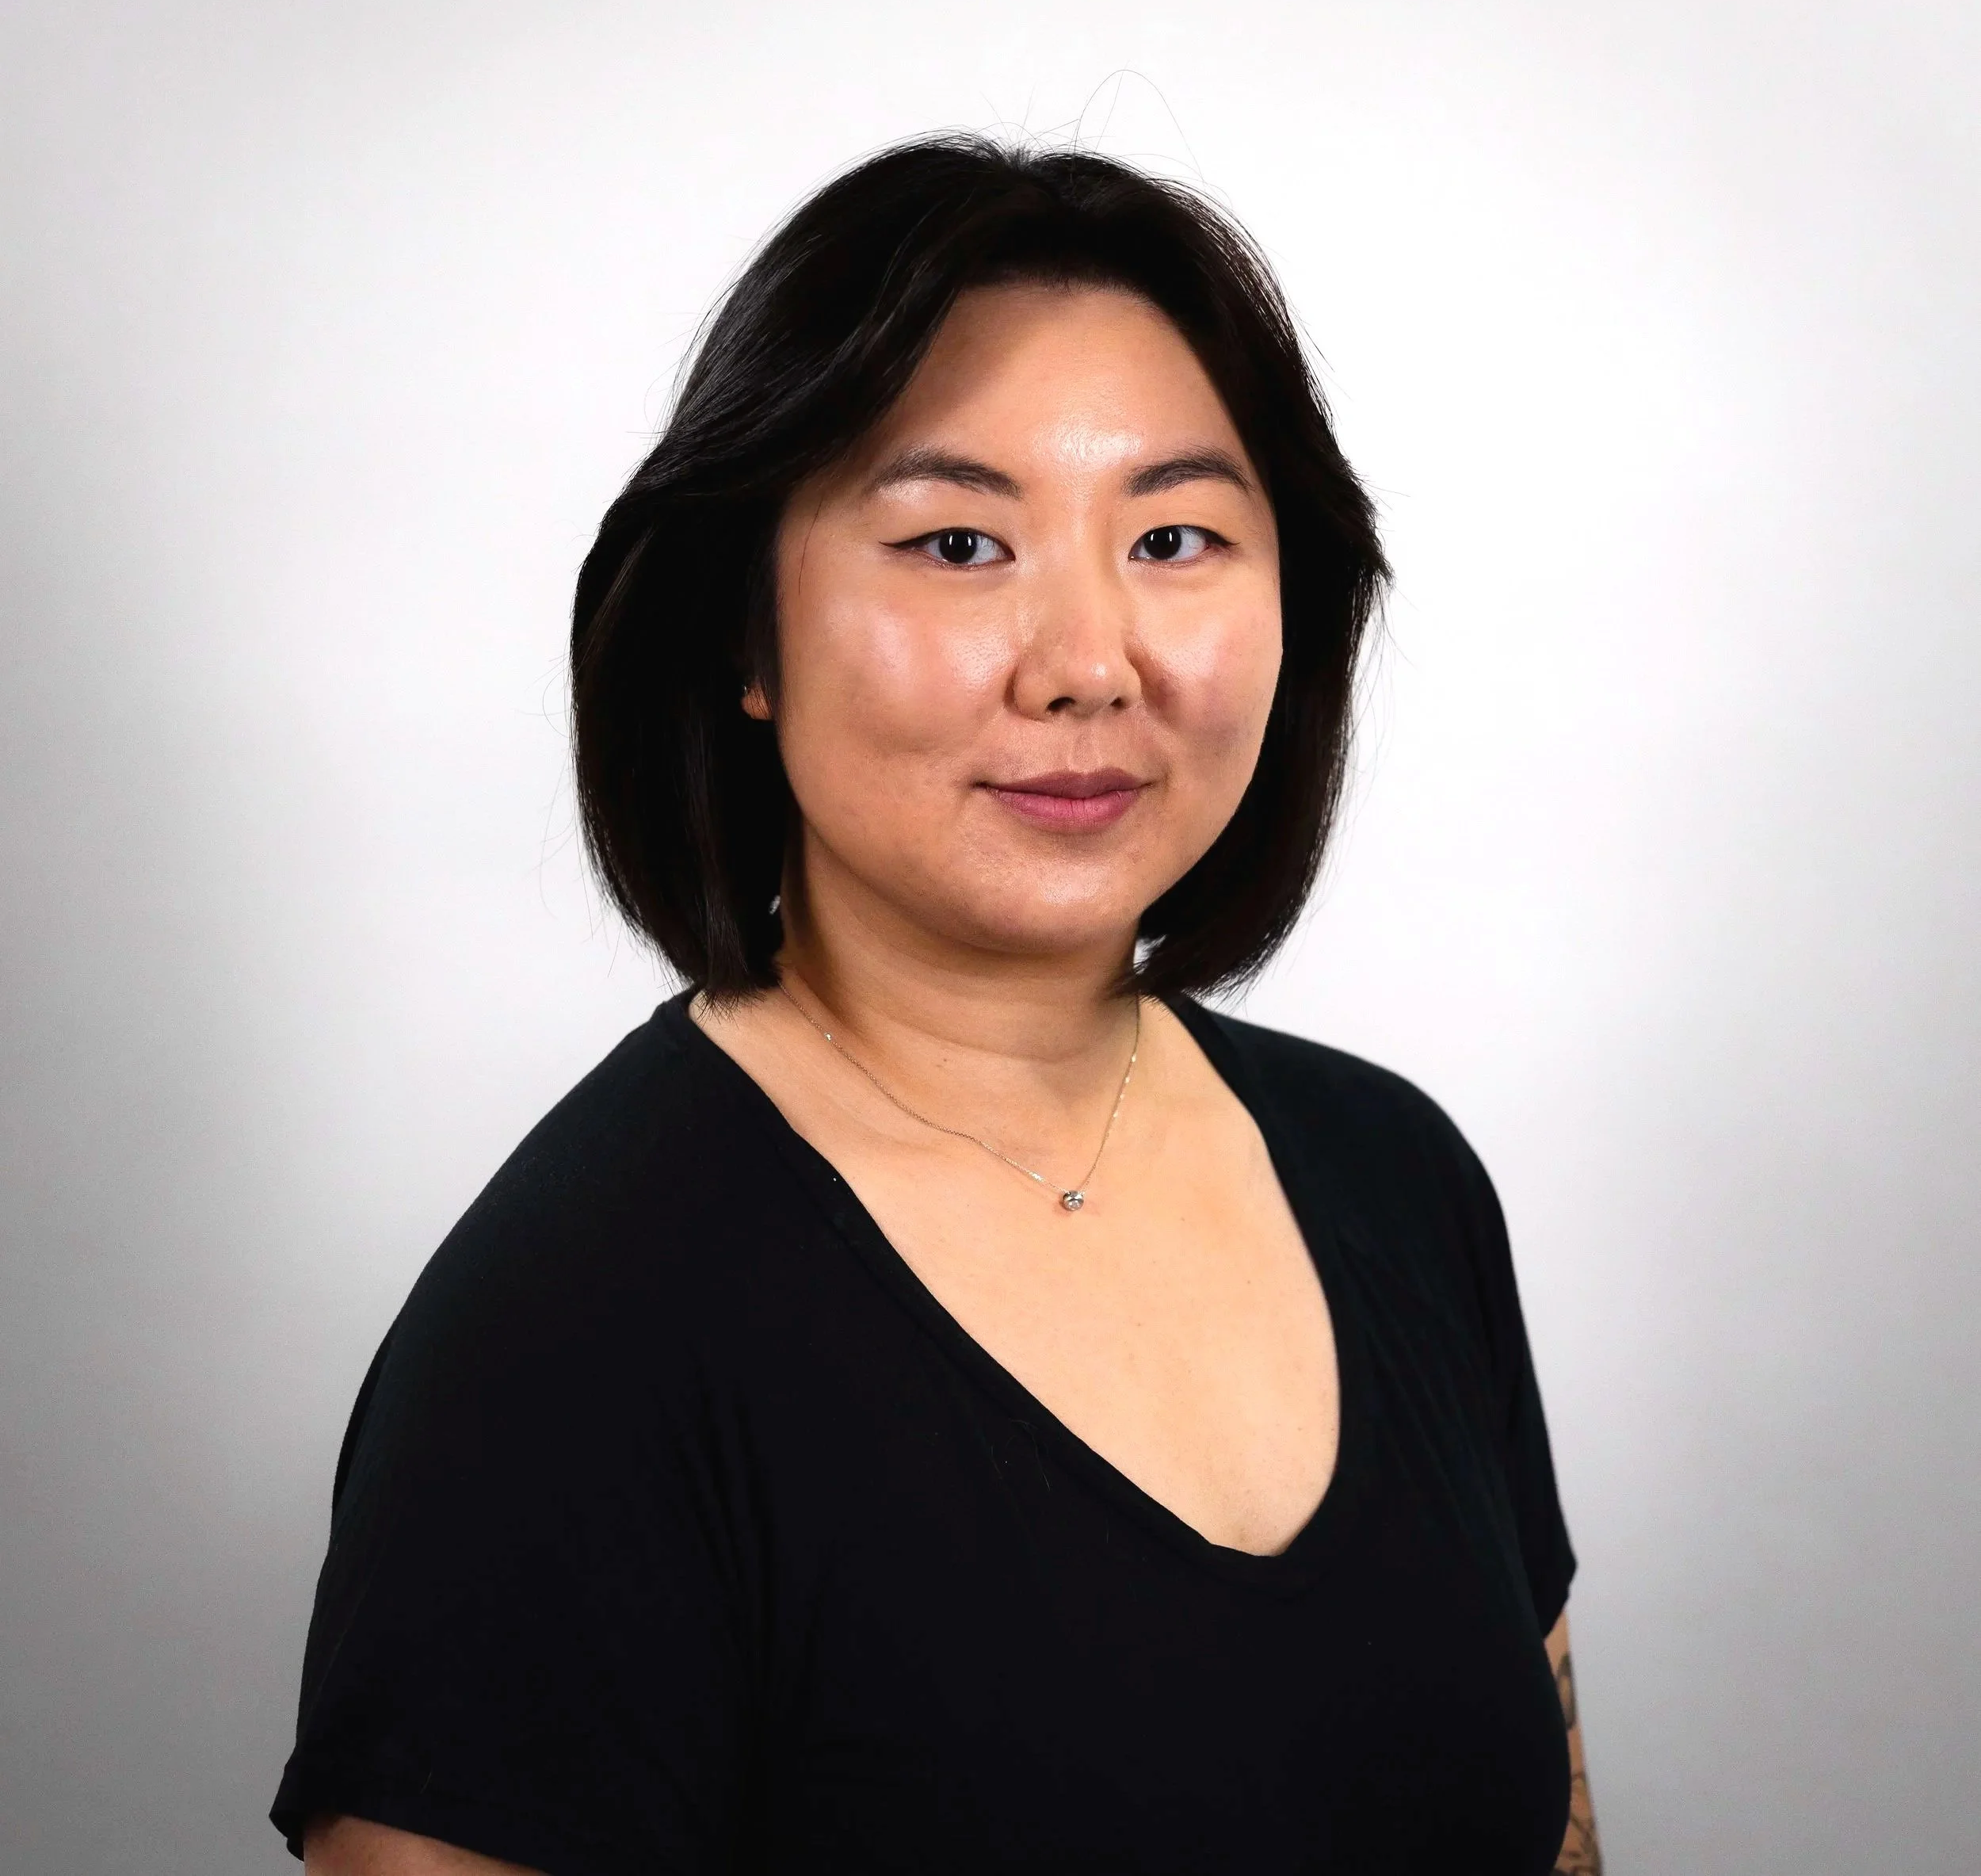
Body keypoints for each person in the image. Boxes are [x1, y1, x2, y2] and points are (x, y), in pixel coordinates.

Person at [273, 136, 1601, 1875]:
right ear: (743, 634)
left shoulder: (1398, 1176)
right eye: (960, 540)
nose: (1084, 659)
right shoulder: (573, 1331)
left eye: (1177, 535)